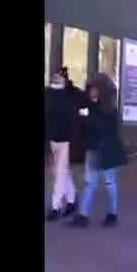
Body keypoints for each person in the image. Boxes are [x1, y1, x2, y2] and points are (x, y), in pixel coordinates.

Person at [70, 73, 128, 228]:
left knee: (102, 183)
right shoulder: (103, 108)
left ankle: (98, 215)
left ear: (101, 90)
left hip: (101, 151)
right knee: (100, 183)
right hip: (101, 150)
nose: (91, 91)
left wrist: (85, 116)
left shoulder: (102, 110)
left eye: (94, 89)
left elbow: (94, 124)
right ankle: (92, 215)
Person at [45, 68, 79, 221]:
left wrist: (70, 86)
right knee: (60, 172)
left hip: (65, 140)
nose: (56, 78)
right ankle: (72, 199)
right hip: (54, 139)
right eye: (55, 76)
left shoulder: (69, 95)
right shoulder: (49, 93)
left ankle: (55, 206)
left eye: (59, 77)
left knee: (59, 173)